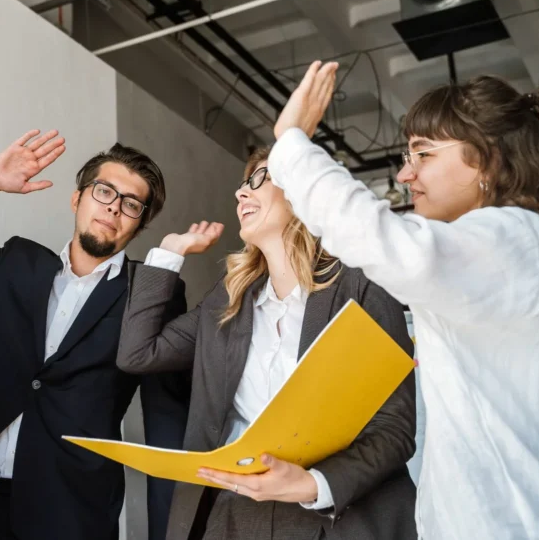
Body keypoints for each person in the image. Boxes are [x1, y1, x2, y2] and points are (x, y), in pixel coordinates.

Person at [267, 63, 539, 539]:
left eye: (423, 154)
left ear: (488, 160)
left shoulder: (513, 239)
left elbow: (387, 244)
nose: (406, 173)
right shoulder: (499, 257)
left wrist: (291, 142)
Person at [116, 145, 417, 540]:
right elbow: (138, 353)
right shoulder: (226, 303)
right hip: (236, 518)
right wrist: (168, 254)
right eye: (244, 184)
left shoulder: (361, 286)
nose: (242, 193)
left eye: (261, 179)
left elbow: (395, 428)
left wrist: (314, 485)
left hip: (338, 516)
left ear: (304, 192)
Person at [0, 131, 191, 540]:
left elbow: (166, 421)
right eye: (104, 191)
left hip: (72, 512)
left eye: (130, 204)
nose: (113, 207)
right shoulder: (14, 264)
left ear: (140, 223)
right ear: (77, 198)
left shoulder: (149, 295)